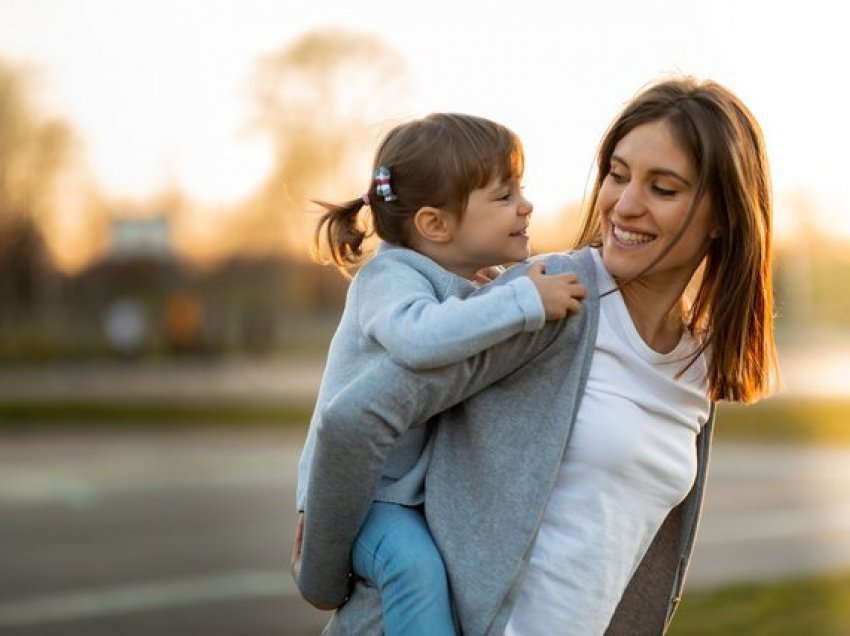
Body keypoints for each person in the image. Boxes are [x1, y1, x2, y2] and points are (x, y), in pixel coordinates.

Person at [293, 76, 777, 635]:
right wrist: (322, 575)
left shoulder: (698, 361)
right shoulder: (546, 298)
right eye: (617, 176)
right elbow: (355, 418)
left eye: (663, 189)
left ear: (724, 214)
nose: (625, 204)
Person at [295, 113, 588, 635]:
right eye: (503, 196)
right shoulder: (389, 277)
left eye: (520, 188)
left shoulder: (462, 280)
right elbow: (420, 338)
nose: (526, 204)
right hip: (361, 499)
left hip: (402, 495)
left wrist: (497, 292)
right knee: (414, 570)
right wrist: (522, 301)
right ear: (435, 225)